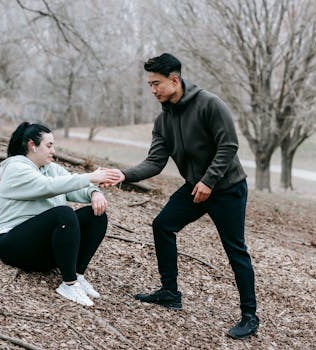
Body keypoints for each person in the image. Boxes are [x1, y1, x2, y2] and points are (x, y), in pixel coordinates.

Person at [114, 53, 259, 339]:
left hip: (227, 188)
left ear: (175, 80)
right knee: (163, 224)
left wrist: (209, 181)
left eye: (156, 83)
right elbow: (155, 162)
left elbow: (229, 145)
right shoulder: (162, 121)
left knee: (235, 250)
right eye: (150, 84)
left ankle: (250, 316)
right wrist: (124, 175)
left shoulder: (210, 104)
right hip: (195, 187)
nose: (153, 90)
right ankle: (170, 293)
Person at [0, 122, 121, 306]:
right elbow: (48, 187)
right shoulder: (15, 168)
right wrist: (91, 177)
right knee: (63, 213)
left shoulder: (51, 168)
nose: (53, 151)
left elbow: (72, 186)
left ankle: (77, 275)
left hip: (41, 249)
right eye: (49, 145)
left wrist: (94, 192)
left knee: (96, 215)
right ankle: (68, 284)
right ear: (32, 145)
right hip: (12, 245)